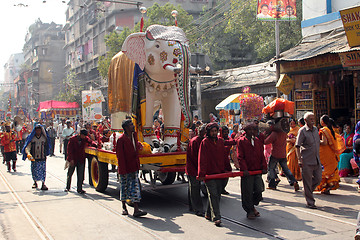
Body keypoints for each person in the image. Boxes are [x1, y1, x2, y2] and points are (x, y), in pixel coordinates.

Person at [198, 123, 232, 226]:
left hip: (220, 173)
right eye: (212, 131)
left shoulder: (221, 141)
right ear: (208, 132)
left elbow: (225, 156)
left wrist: (228, 169)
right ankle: (216, 217)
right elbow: (202, 159)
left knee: (217, 194)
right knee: (213, 194)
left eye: (215, 131)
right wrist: (201, 173)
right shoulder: (204, 142)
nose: (214, 133)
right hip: (209, 174)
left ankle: (208, 213)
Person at [116, 119, 147, 217]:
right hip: (125, 168)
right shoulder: (121, 140)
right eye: (131, 125)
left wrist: (139, 146)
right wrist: (123, 170)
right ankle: (124, 207)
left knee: (135, 188)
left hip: (134, 166)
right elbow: (120, 156)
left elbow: (135, 146)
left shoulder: (134, 136)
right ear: (126, 128)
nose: (133, 126)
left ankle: (136, 210)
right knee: (124, 187)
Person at [237, 122, 267, 219]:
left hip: (257, 170)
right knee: (247, 192)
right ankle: (249, 210)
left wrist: (264, 167)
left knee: (259, 189)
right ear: (246, 131)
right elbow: (240, 157)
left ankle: (252, 206)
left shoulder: (257, 141)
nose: (252, 132)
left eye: (254, 130)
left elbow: (261, 155)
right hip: (247, 172)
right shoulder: (241, 141)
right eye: (250, 130)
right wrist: (244, 169)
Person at [295, 112, 322, 209]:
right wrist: (299, 160)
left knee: (318, 179)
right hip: (306, 160)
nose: (313, 120)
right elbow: (297, 146)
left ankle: (307, 191)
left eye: (313, 118)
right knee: (307, 181)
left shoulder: (315, 130)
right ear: (305, 121)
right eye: (311, 119)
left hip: (316, 160)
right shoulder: (302, 131)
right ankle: (310, 202)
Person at [265, 120, 299, 191]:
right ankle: (293, 181)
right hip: (283, 154)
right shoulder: (284, 133)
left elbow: (266, 142)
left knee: (271, 168)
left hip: (275, 154)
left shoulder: (274, 134)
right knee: (286, 169)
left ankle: (272, 184)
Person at [315, 115, 344, 194]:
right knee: (330, 170)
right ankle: (327, 187)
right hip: (331, 153)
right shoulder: (331, 129)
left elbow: (324, 142)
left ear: (322, 122)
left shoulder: (324, 130)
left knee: (324, 170)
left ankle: (324, 186)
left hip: (325, 153)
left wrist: (316, 140)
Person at [65, 129, 96, 193]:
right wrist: (71, 159)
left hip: (81, 158)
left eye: (85, 136)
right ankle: (67, 187)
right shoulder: (72, 139)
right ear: (80, 134)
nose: (84, 137)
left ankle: (79, 188)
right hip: (73, 159)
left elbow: (91, 142)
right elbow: (69, 150)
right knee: (70, 174)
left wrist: (96, 145)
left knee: (80, 175)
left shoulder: (85, 139)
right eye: (83, 136)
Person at [22, 124, 51, 190]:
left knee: (43, 171)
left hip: (42, 157)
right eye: (37, 130)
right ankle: (35, 182)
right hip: (34, 157)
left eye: (39, 130)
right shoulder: (32, 138)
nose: (38, 131)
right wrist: (28, 153)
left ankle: (43, 184)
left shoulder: (44, 138)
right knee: (34, 170)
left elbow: (47, 145)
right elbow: (28, 146)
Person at [186, 125, 206, 217]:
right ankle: (198, 208)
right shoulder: (195, 141)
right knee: (195, 187)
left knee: (193, 187)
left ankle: (192, 206)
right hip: (193, 168)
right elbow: (195, 158)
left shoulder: (204, 140)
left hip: (198, 167)